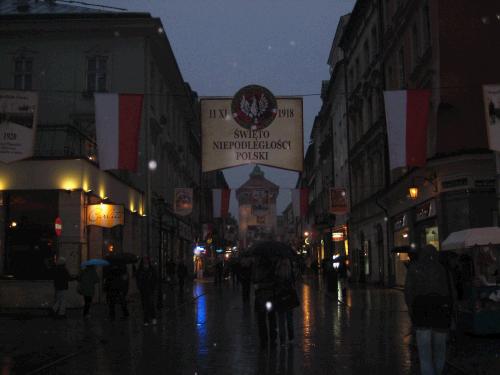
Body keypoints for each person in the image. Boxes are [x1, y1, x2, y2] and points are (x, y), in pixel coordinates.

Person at [405, 245, 455, 375]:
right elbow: (451, 292)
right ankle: (438, 371)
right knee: (440, 349)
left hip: (421, 311)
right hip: (441, 311)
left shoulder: (414, 268)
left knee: (424, 353)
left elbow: (408, 292)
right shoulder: (442, 268)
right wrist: (453, 312)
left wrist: (411, 308)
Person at [253, 256, 278, 348]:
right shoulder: (272, 268)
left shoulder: (257, 269)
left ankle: (263, 338)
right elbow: (275, 281)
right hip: (270, 297)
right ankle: (273, 336)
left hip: (260, 298)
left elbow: (254, 281)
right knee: (271, 317)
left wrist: (259, 286)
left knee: (261, 319)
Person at [274, 257, 298, 345]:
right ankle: (291, 337)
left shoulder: (277, 271)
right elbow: (293, 283)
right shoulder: (290, 270)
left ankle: (282, 339)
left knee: (281, 320)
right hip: (289, 296)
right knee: (289, 318)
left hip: (280, 297)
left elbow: (275, 284)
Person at [135, 256, 158, 326]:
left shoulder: (152, 270)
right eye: (144, 261)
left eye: (146, 261)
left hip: (150, 289)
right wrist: (140, 287)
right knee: (144, 305)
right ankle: (146, 319)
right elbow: (138, 279)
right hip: (143, 290)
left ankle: (153, 317)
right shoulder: (140, 270)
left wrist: (153, 287)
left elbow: (155, 279)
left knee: (151, 304)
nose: (145, 262)